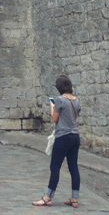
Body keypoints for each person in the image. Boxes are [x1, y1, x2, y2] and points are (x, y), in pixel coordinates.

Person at [32, 75, 81, 208]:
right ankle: (74, 199)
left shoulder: (59, 100)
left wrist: (52, 107)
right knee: (74, 168)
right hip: (75, 136)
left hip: (63, 136)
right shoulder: (76, 100)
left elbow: (55, 119)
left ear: (59, 87)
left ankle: (48, 197)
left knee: (55, 167)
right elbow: (74, 117)